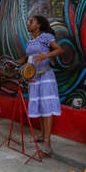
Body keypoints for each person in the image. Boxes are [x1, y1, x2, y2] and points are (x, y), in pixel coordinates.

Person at [17, 15, 63, 156]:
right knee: (41, 107)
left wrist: (45, 56)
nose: (28, 24)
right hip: (34, 78)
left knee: (47, 108)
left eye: (31, 22)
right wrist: (16, 62)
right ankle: (43, 136)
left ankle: (47, 145)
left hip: (45, 76)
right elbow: (28, 57)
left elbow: (59, 50)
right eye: (28, 22)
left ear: (39, 25)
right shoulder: (30, 41)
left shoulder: (46, 37)